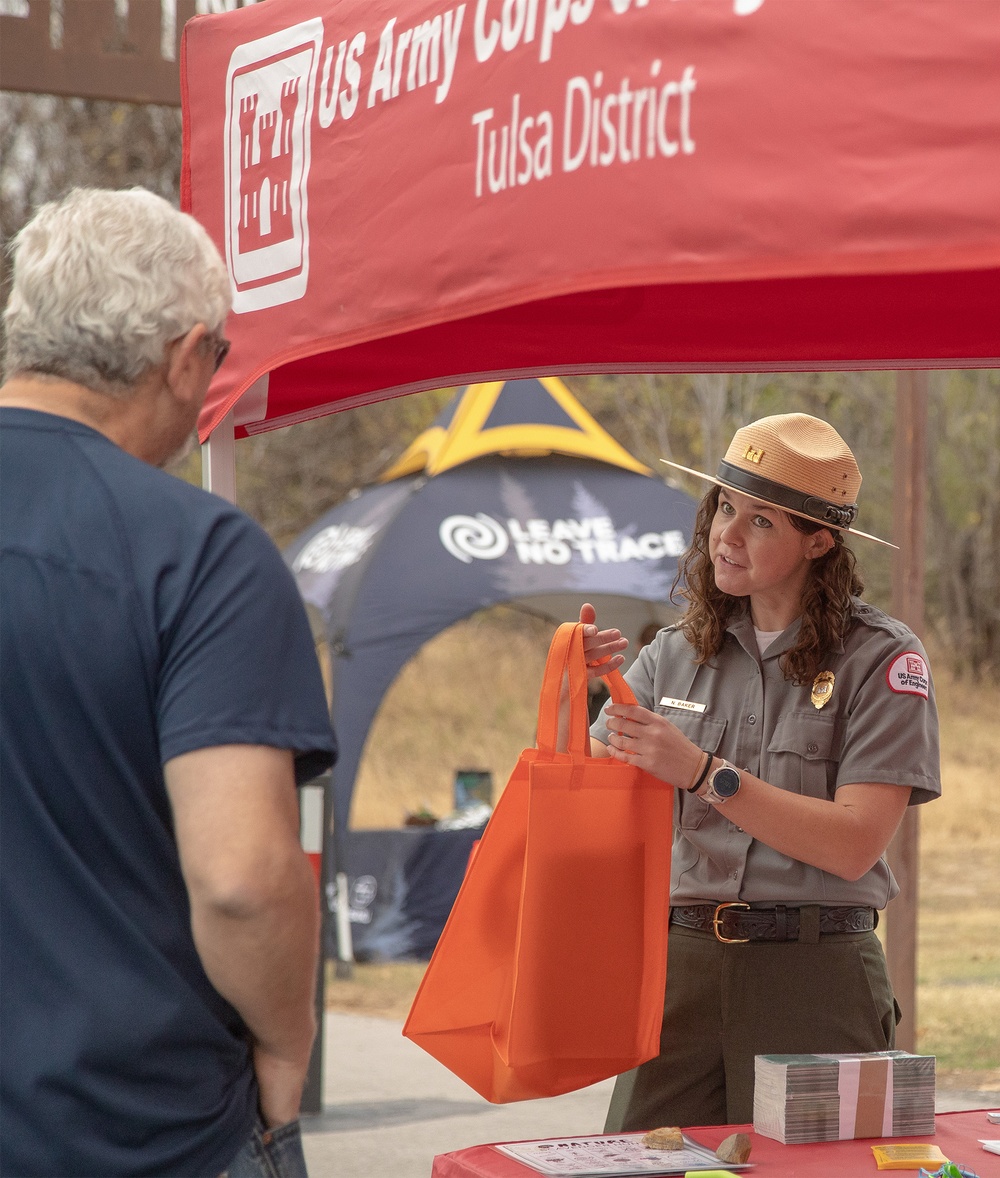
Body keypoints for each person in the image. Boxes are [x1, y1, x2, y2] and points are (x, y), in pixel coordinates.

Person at [0, 189, 337, 1178]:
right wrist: (286, 1041)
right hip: (141, 1129)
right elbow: (242, 877)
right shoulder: (198, 556)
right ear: (186, 356)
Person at [577, 413, 940, 1130]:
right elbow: (591, 787)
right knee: (634, 1165)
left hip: (817, 976)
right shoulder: (672, 653)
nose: (727, 534)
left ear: (819, 540)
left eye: (761, 522)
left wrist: (706, 773)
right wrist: (576, 688)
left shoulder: (883, 661)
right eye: (724, 507)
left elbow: (853, 843)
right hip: (682, 969)